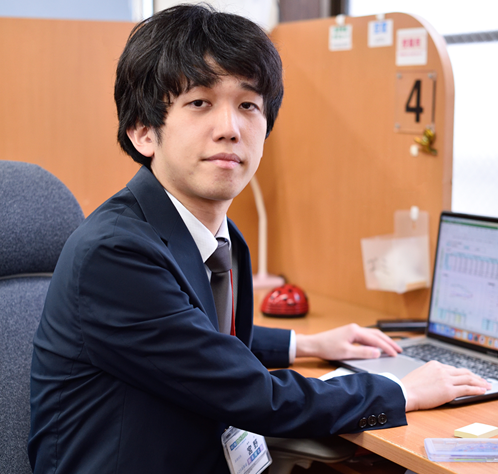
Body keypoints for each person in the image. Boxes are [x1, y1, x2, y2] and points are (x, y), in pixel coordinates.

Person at [28, 5, 490, 474]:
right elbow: (254, 395)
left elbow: (198, 337)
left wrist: (306, 344)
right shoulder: (115, 254)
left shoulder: (219, 237)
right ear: (143, 132)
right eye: (200, 103)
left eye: (248, 105)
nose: (230, 129)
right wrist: (402, 390)